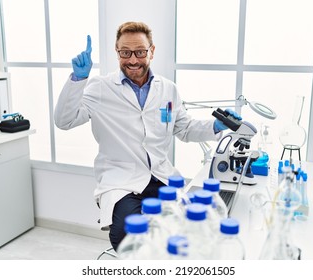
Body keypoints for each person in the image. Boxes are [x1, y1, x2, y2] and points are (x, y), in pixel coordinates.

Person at [54, 21, 241, 251]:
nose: (133, 60)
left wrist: (216, 125)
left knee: (182, 231)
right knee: (126, 234)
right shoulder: (100, 87)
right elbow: (64, 120)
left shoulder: (168, 89)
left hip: (162, 176)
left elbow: (183, 128)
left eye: (140, 52)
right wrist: (77, 79)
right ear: (117, 52)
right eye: (125, 52)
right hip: (122, 180)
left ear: (151, 51)